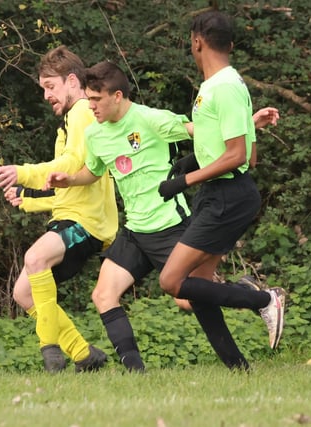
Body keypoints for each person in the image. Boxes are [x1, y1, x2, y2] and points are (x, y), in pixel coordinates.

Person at [46, 61, 279, 372]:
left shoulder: (151, 119)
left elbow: (205, 132)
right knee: (104, 294)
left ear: (117, 96)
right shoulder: (95, 134)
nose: (91, 106)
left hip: (169, 226)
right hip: (135, 230)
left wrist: (249, 123)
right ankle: (137, 376)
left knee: (190, 299)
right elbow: (93, 171)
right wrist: (69, 179)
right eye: (88, 99)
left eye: (96, 100)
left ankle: (248, 318)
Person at [157, 10, 286, 370]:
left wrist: (185, 181)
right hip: (220, 193)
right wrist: (196, 163)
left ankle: (261, 299)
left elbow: (239, 157)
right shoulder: (221, 85)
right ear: (229, 44)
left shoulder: (225, 86)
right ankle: (238, 368)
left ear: (197, 41)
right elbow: (247, 153)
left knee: (171, 280)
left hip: (227, 195)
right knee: (195, 290)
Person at [0, 46, 118, 373]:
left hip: (87, 224)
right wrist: (31, 200)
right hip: (72, 219)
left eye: (50, 86)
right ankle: (85, 356)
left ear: (72, 80)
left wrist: (24, 172)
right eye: (43, 88)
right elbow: (70, 187)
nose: (46, 95)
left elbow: (74, 164)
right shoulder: (70, 122)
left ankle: (50, 354)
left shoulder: (82, 114)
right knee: (23, 293)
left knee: (34, 258)